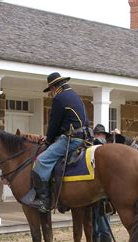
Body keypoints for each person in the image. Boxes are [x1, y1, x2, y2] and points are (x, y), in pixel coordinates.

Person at [30, 72, 91, 213]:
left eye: (50, 90)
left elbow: (54, 124)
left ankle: (44, 201)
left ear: (54, 87)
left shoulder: (59, 98)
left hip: (71, 139)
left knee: (42, 161)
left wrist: (49, 140)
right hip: (84, 137)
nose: (51, 93)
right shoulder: (75, 95)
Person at [92, 124, 113, 242]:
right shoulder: (92, 150)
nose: (100, 137)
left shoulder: (108, 153)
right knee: (95, 225)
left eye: (102, 135)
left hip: (104, 195)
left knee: (104, 225)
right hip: (94, 193)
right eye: (98, 135)